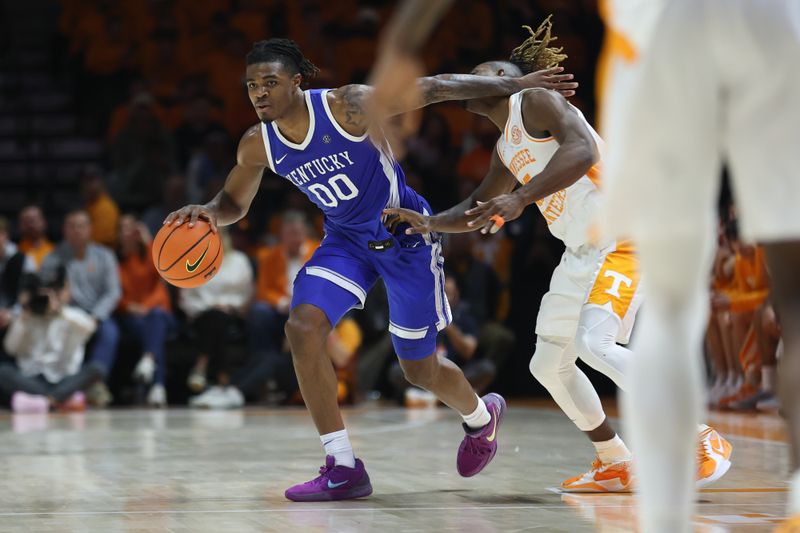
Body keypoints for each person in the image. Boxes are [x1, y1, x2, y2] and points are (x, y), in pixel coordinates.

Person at [165, 38, 576, 501]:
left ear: (297, 83)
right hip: (345, 242)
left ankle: (482, 418)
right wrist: (207, 213)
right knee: (302, 327)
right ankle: (342, 465)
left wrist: (516, 83)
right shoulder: (257, 144)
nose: (259, 93)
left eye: (270, 82)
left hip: (405, 234)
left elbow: (435, 87)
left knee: (418, 369)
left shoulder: (348, 106)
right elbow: (234, 202)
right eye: (252, 86)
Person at [385, 17, 732, 493]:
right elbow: (476, 208)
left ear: (508, 81)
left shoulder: (535, 101)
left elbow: (584, 150)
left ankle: (700, 437)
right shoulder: (507, 148)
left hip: (623, 234)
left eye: (483, 72)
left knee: (596, 343)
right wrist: (428, 221)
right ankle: (613, 459)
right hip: (581, 251)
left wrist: (521, 199)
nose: (472, 79)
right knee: (546, 364)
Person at [598, 1, 800, 530]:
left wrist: (404, 41)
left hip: (662, 25)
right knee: (797, 303)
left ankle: (666, 520)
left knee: (669, 307)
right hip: (777, 17)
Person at [41, 210, 121, 407]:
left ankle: (96, 383)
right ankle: (62, 385)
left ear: (90, 229)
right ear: (64, 230)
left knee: (109, 331)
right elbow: (43, 290)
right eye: (72, 226)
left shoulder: (105, 256)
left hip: (96, 314)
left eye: (81, 226)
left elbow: (113, 292)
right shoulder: (52, 258)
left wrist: (95, 317)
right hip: (64, 315)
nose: (77, 230)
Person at [0, 269, 99, 412]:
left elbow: (90, 327)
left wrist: (59, 311)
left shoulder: (69, 315)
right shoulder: (27, 317)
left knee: (96, 369)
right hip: (31, 380)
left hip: (62, 379)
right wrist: (24, 317)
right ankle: (58, 400)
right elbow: (10, 348)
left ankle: (41, 402)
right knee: (3, 371)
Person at [181, 229, 253, 407]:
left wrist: (231, 306)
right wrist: (206, 308)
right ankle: (223, 382)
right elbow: (186, 296)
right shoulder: (193, 259)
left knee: (219, 319)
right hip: (201, 315)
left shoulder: (239, 260)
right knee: (214, 318)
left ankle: (201, 366)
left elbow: (247, 292)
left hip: (233, 314)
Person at [116, 214, 174, 407]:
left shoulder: (149, 254)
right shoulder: (116, 261)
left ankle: (148, 361)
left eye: (133, 228)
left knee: (156, 320)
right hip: (132, 317)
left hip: (159, 313)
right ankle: (158, 387)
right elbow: (113, 293)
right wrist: (127, 306)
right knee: (153, 334)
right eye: (124, 228)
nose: (129, 233)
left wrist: (149, 241)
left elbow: (165, 270)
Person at [0, 217, 35, 338]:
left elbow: (30, 293)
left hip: (17, 314)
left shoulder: (23, 259)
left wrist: (12, 313)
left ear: (5, 235)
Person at [17, 205, 54, 270]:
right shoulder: (14, 250)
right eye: (26, 222)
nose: (30, 225)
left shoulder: (54, 251)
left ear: (44, 222)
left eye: (33, 220)